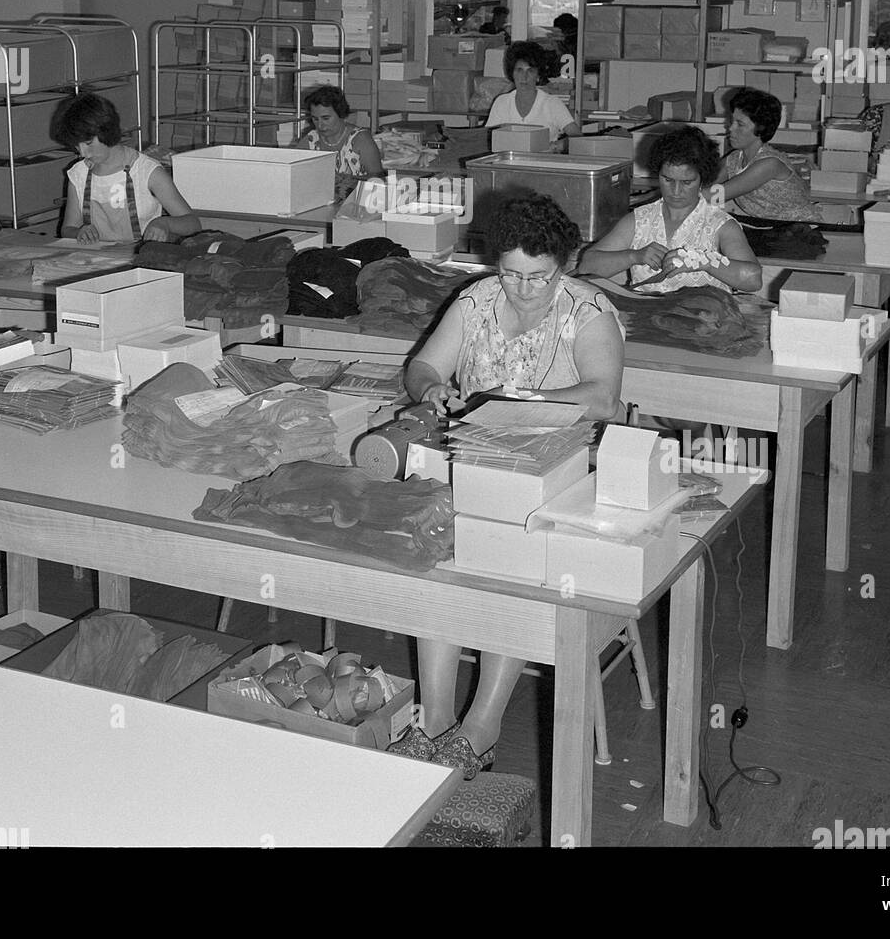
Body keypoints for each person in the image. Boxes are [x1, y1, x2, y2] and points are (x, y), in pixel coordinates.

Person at [390, 193, 625, 778]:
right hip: (479, 455)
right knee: (439, 551)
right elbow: (423, 367)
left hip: (561, 464)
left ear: (565, 264)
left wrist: (514, 403)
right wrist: (429, 392)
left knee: (508, 556)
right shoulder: (477, 300)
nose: (522, 289)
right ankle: (437, 716)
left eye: (537, 277)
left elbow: (601, 397)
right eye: (511, 274)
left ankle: (481, 725)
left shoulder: (587, 310)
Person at [579, 126, 762, 293]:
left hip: (702, 325)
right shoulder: (640, 220)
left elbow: (753, 279)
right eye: (667, 180)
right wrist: (634, 256)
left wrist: (702, 261)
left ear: (702, 179)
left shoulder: (720, 225)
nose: (675, 191)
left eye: (686, 182)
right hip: (647, 320)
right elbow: (587, 266)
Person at [53, 93, 200, 242]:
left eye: (88, 143)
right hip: (94, 260)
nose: (83, 153)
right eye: (76, 145)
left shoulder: (147, 172)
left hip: (141, 259)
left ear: (106, 130)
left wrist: (164, 223)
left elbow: (193, 223)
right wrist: (79, 233)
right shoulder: (78, 175)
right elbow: (68, 229)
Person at [716, 88, 815, 220]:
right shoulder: (734, 159)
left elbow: (716, 195)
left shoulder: (769, 164)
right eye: (731, 121)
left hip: (800, 231)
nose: (731, 128)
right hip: (769, 229)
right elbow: (705, 182)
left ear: (760, 129)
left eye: (740, 124)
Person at [296, 85, 384, 203]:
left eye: (326, 118)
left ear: (341, 114)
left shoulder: (361, 139)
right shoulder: (310, 140)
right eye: (315, 119)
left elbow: (378, 180)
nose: (320, 125)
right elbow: (294, 175)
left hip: (357, 206)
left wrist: (345, 183)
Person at [484, 40, 580, 147]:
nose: (524, 77)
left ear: (538, 75)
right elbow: (487, 139)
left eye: (530, 71)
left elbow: (577, 137)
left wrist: (557, 146)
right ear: (512, 73)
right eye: (519, 70)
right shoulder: (501, 103)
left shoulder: (552, 104)